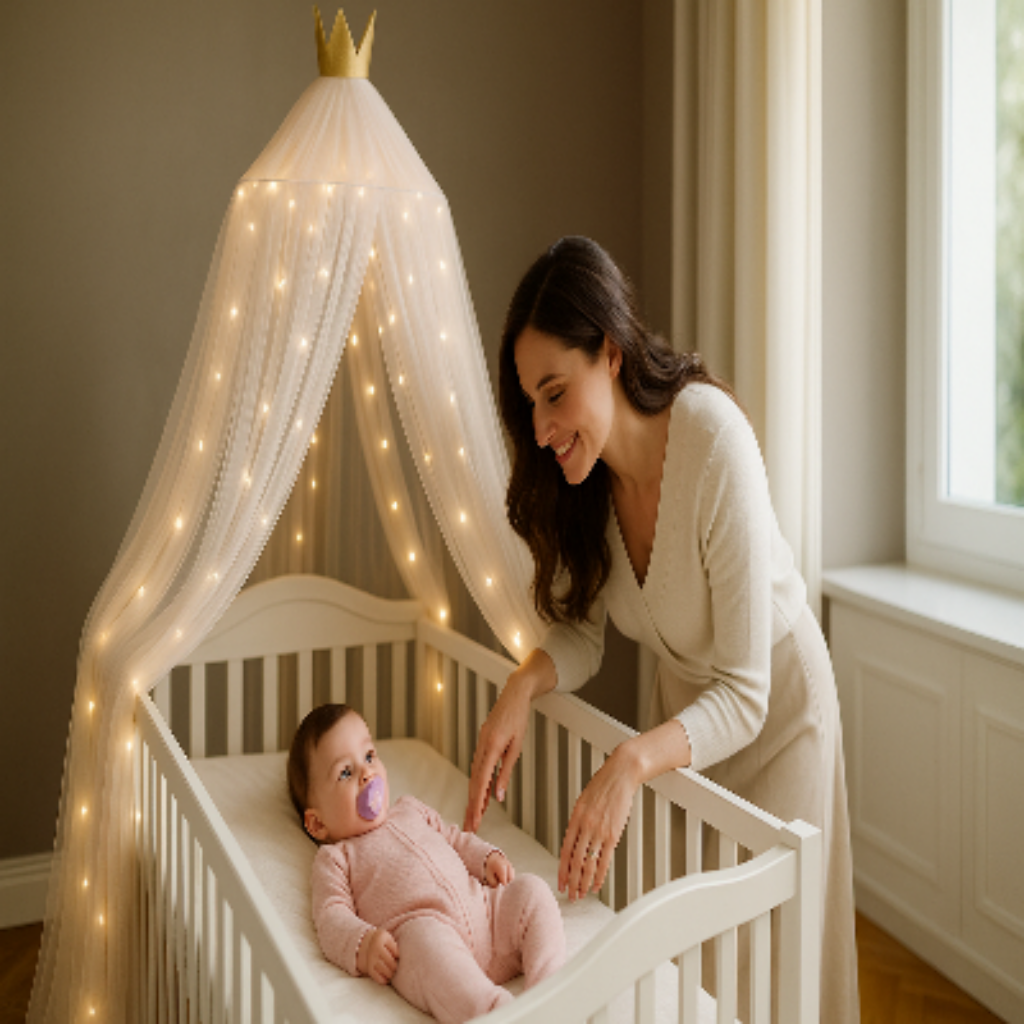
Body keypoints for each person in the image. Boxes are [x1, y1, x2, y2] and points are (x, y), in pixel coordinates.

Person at [463, 236, 859, 1023]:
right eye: (530, 404)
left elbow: (743, 694)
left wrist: (630, 760)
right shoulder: (591, 484)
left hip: (776, 709)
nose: (542, 428)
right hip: (685, 728)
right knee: (691, 959)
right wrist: (522, 684)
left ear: (609, 353)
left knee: (768, 959)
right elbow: (582, 634)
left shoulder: (712, 443)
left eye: (555, 393)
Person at [288, 703, 566, 1024]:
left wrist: (486, 856)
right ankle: (499, 1013)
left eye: (369, 756)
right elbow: (331, 916)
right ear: (317, 824)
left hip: (485, 913)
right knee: (428, 949)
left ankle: (550, 994)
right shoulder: (336, 857)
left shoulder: (410, 809)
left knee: (531, 891)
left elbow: (455, 839)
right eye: (345, 773)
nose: (367, 774)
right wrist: (363, 945)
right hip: (427, 936)